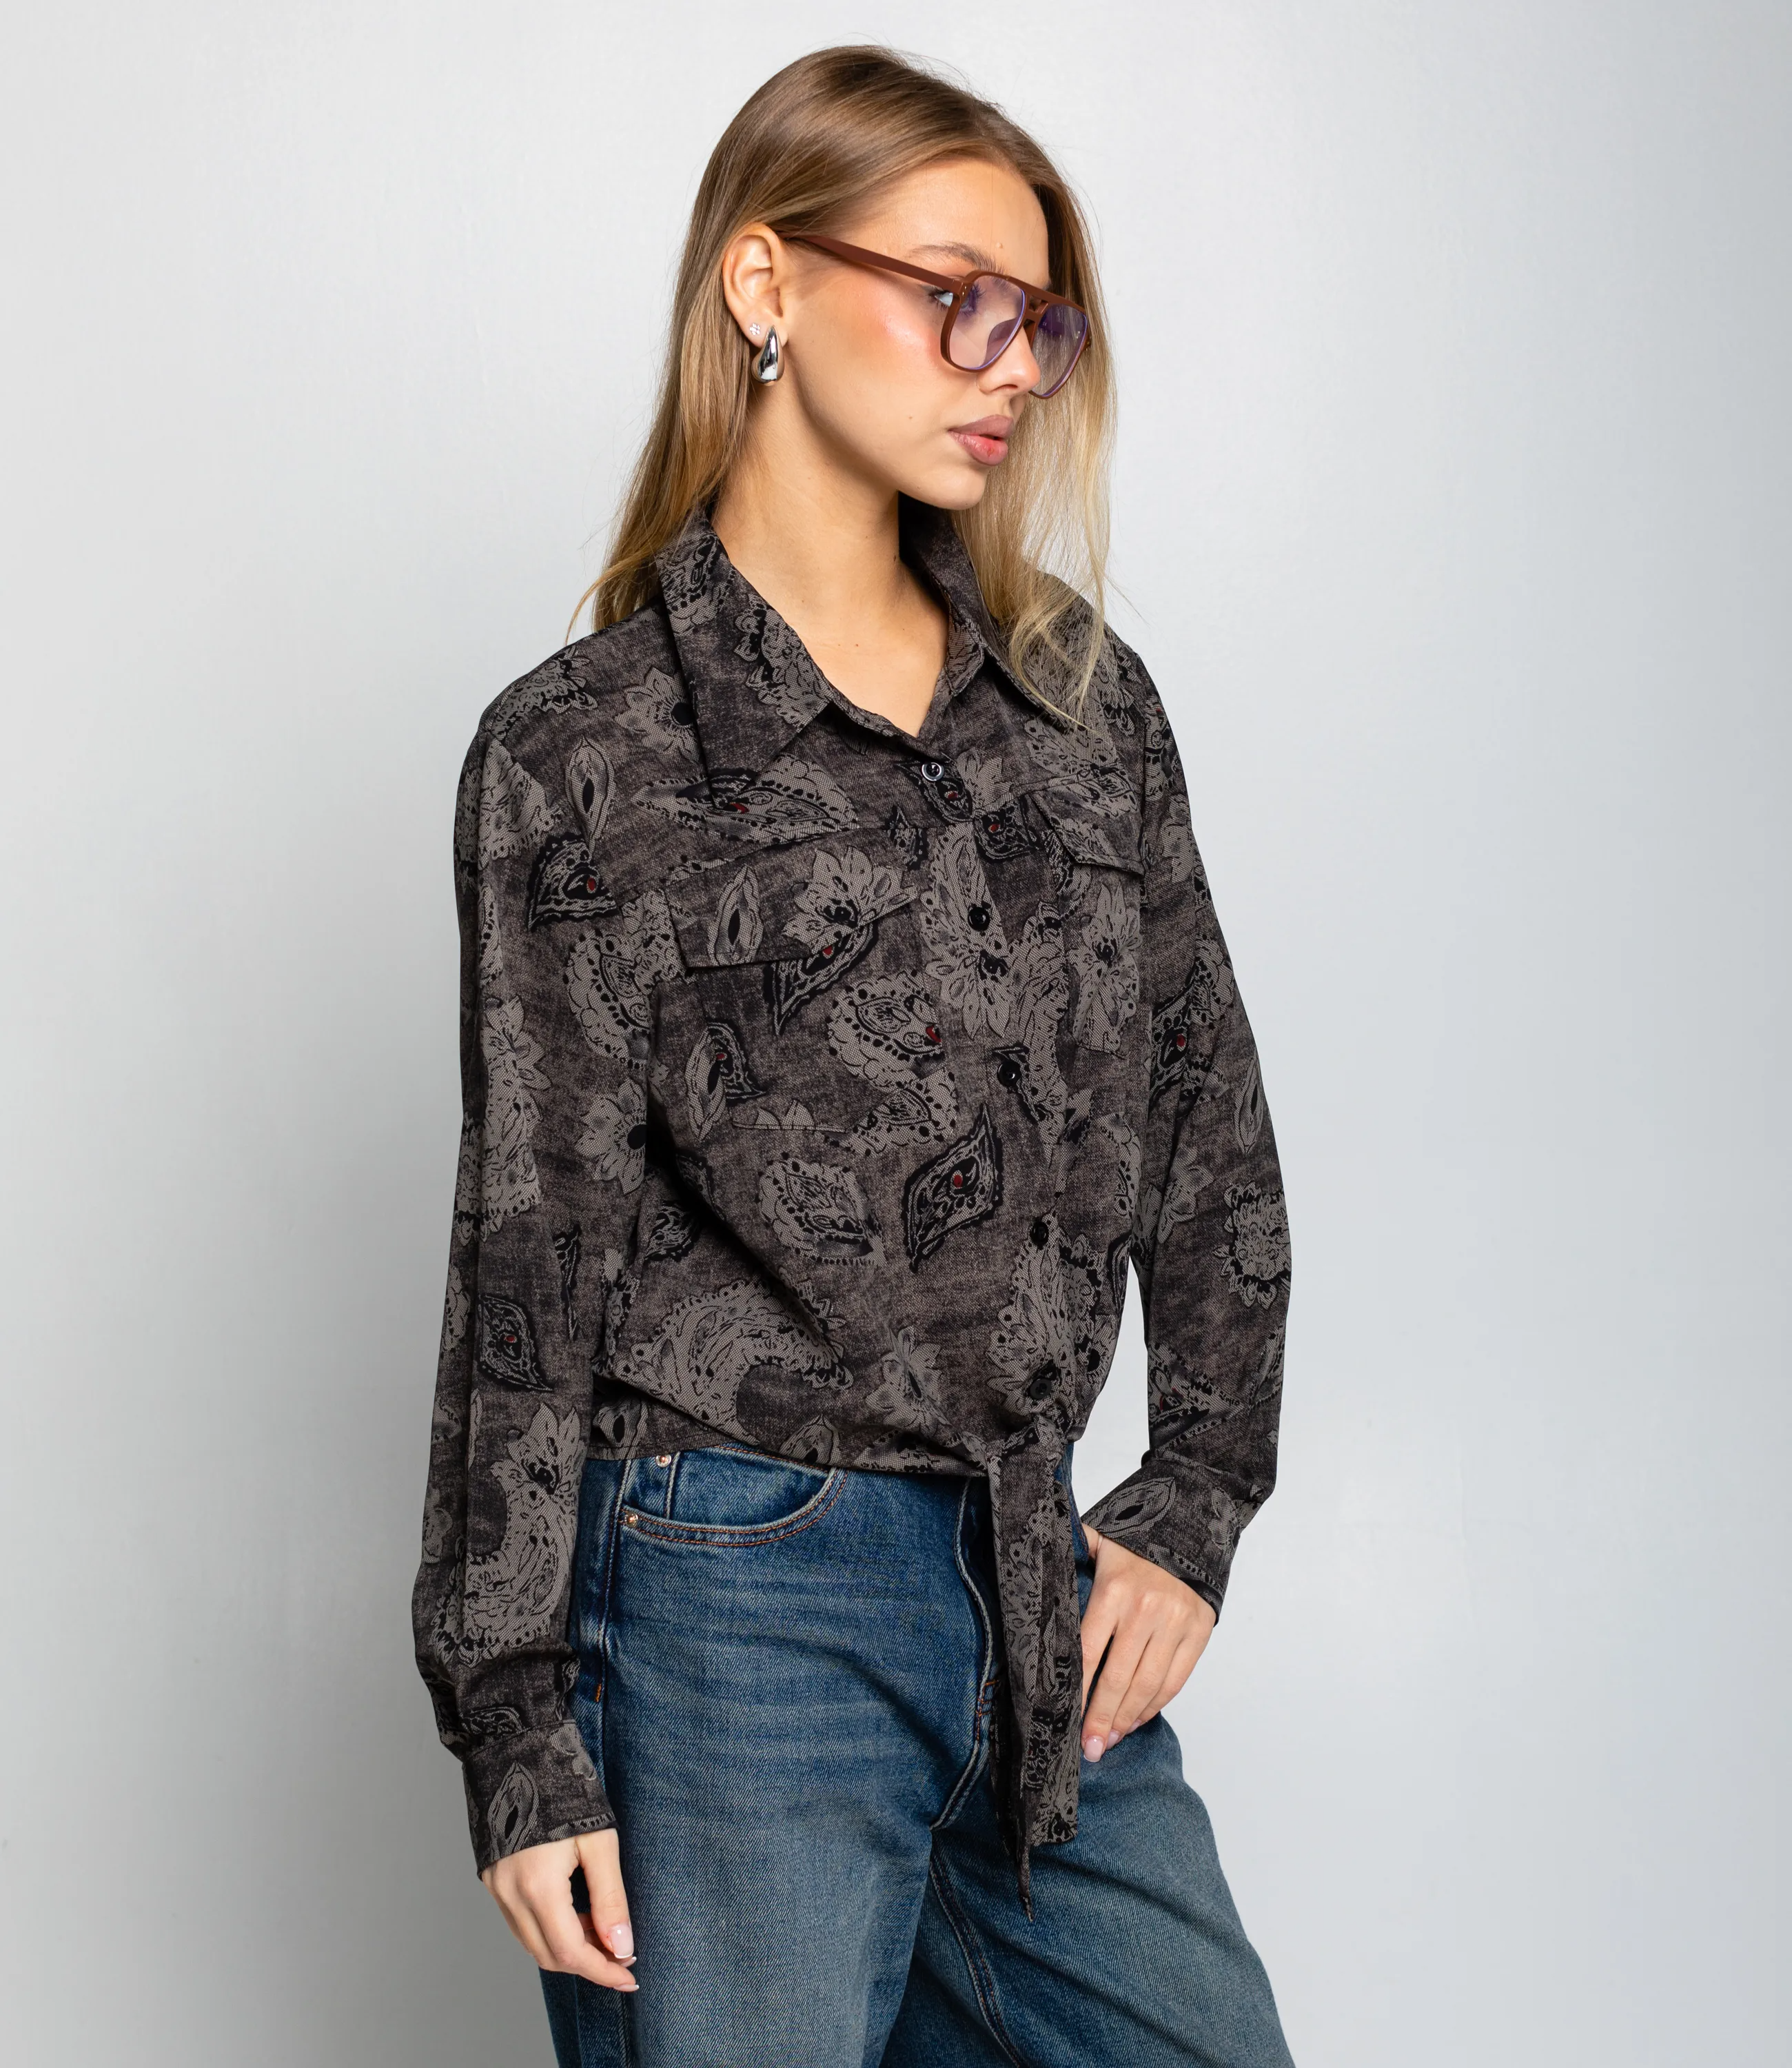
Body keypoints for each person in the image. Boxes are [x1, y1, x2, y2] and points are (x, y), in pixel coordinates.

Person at [411, 43, 1295, 2068]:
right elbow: (530, 1254)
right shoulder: (580, 754)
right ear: (766, 284)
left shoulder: (1082, 707)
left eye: (1040, 321)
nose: (1011, 366)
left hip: (1029, 1585)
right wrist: (518, 1726)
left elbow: (1206, 1118)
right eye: (954, 296)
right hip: (730, 1597)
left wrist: (1194, 1495)